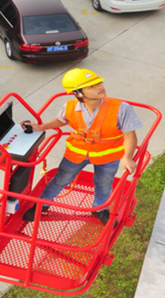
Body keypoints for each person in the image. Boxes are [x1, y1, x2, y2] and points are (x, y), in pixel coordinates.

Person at [21, 68, 143, 224]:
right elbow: (61, 120)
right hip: (76, 153)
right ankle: (42, 205)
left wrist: (127, 158)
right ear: (78, 93)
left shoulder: (121, 108)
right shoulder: (70, 106)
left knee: (104, 183)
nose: (100, 87)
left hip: (107, 156)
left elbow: (130, 136)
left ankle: (99, 209)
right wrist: (41, 126)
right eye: (91, 86)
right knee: (60, 179)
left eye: (99, 82)